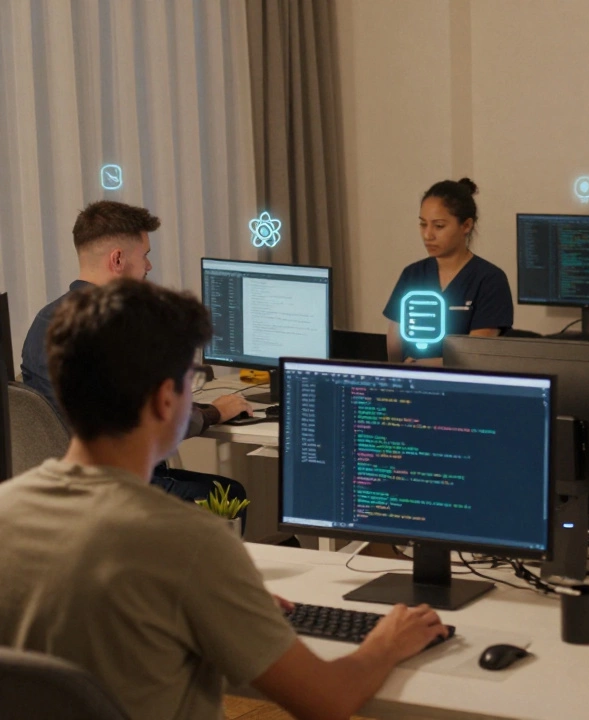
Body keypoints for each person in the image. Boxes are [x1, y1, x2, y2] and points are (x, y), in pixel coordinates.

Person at [0, 279, 450, 720]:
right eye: (189, 377)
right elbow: (327, 700)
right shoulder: (186, 541)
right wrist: (388, 641)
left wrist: (224, 601)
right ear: (164, 400)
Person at [19, 200, 251, 505]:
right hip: (118, 491)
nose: (148, 267)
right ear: (117, 259)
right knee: (229, 495)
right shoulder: (121, 330)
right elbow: (157, 423)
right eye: (145, 256)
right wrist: (217, 412)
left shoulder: (44, 320)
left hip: (62, 489)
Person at [384, 178, 513, 364]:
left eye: (439, 226)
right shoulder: (412, 274)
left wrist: (422, 365)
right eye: (423, 224)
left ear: (466, 226)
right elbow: (394, 348)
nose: (428, 235)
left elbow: (476, 355)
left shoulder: (490, 280)